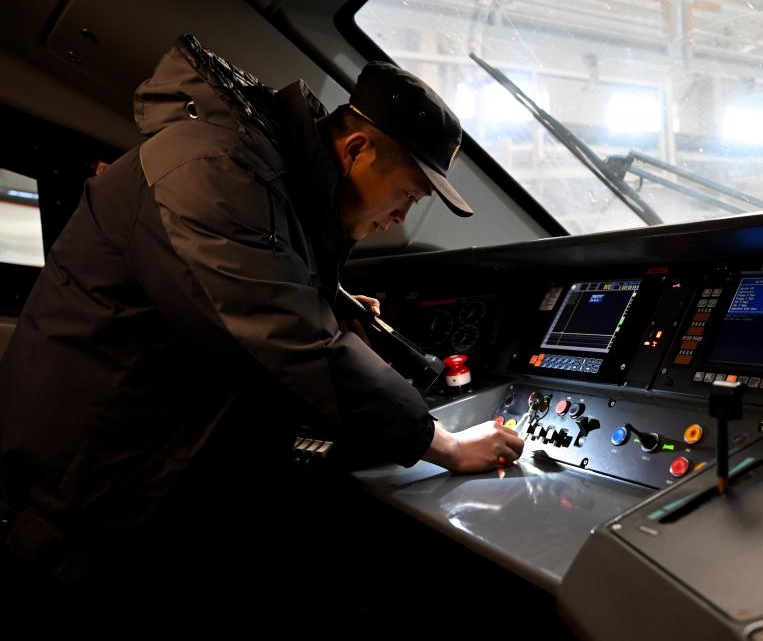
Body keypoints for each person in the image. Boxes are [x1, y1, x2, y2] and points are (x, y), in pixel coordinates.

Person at [0, 34, 524, 592]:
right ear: (356, 150)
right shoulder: (213, 170)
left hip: (123, 480)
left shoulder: (266, 177)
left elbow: (256, 295)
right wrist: (443, 444)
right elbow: (293, 344)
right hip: (70, 504)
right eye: (408, 195)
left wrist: (321, 302)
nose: (400, 217)